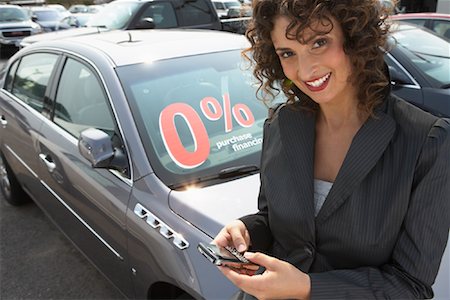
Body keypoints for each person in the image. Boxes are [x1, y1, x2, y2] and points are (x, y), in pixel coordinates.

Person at [213, 0, 450, 299]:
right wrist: (246, 230)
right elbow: (273, 219)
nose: (305, 69)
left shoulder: (426, 141)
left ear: (354, 37)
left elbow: (410, 285)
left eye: (319, 42)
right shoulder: (282, 125)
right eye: (288, 53)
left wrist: (307, 288)